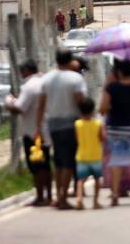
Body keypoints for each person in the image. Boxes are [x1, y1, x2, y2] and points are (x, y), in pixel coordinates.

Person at [36, 48, 88, 210]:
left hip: (52, 124)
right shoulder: (75, 78)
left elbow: (41, 105)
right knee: (68, 162)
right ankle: (63, 197)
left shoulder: (46, 78)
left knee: (58, 161)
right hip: (71, 123)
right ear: (70, 60)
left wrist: (39, 127)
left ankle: (59, 195)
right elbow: (80, 101)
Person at [98, 58, 130, 206]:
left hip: (116, 129)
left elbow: (102, 109)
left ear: (119, 72)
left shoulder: (112, 88)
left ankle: (114, 194)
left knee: (116, 161)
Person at [5, 59, 52, 207]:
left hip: (32, 132)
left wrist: (9, 102)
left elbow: (19, 108)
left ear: (26, 71)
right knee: (45, 164)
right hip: (46, 130)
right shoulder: (45, 82)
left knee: (36, 166)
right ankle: (49, 195)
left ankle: (40, 196)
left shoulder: (29, 86)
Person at [74, 97, 104, 210]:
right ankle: (95, 201)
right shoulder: (98, 124)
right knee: (97, 179)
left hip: (82, 156)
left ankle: (79, 199)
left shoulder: (77, 124)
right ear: (93, 110)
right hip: (96, 156)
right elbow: (102, 138)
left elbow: (77, 139)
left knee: (81, 180)